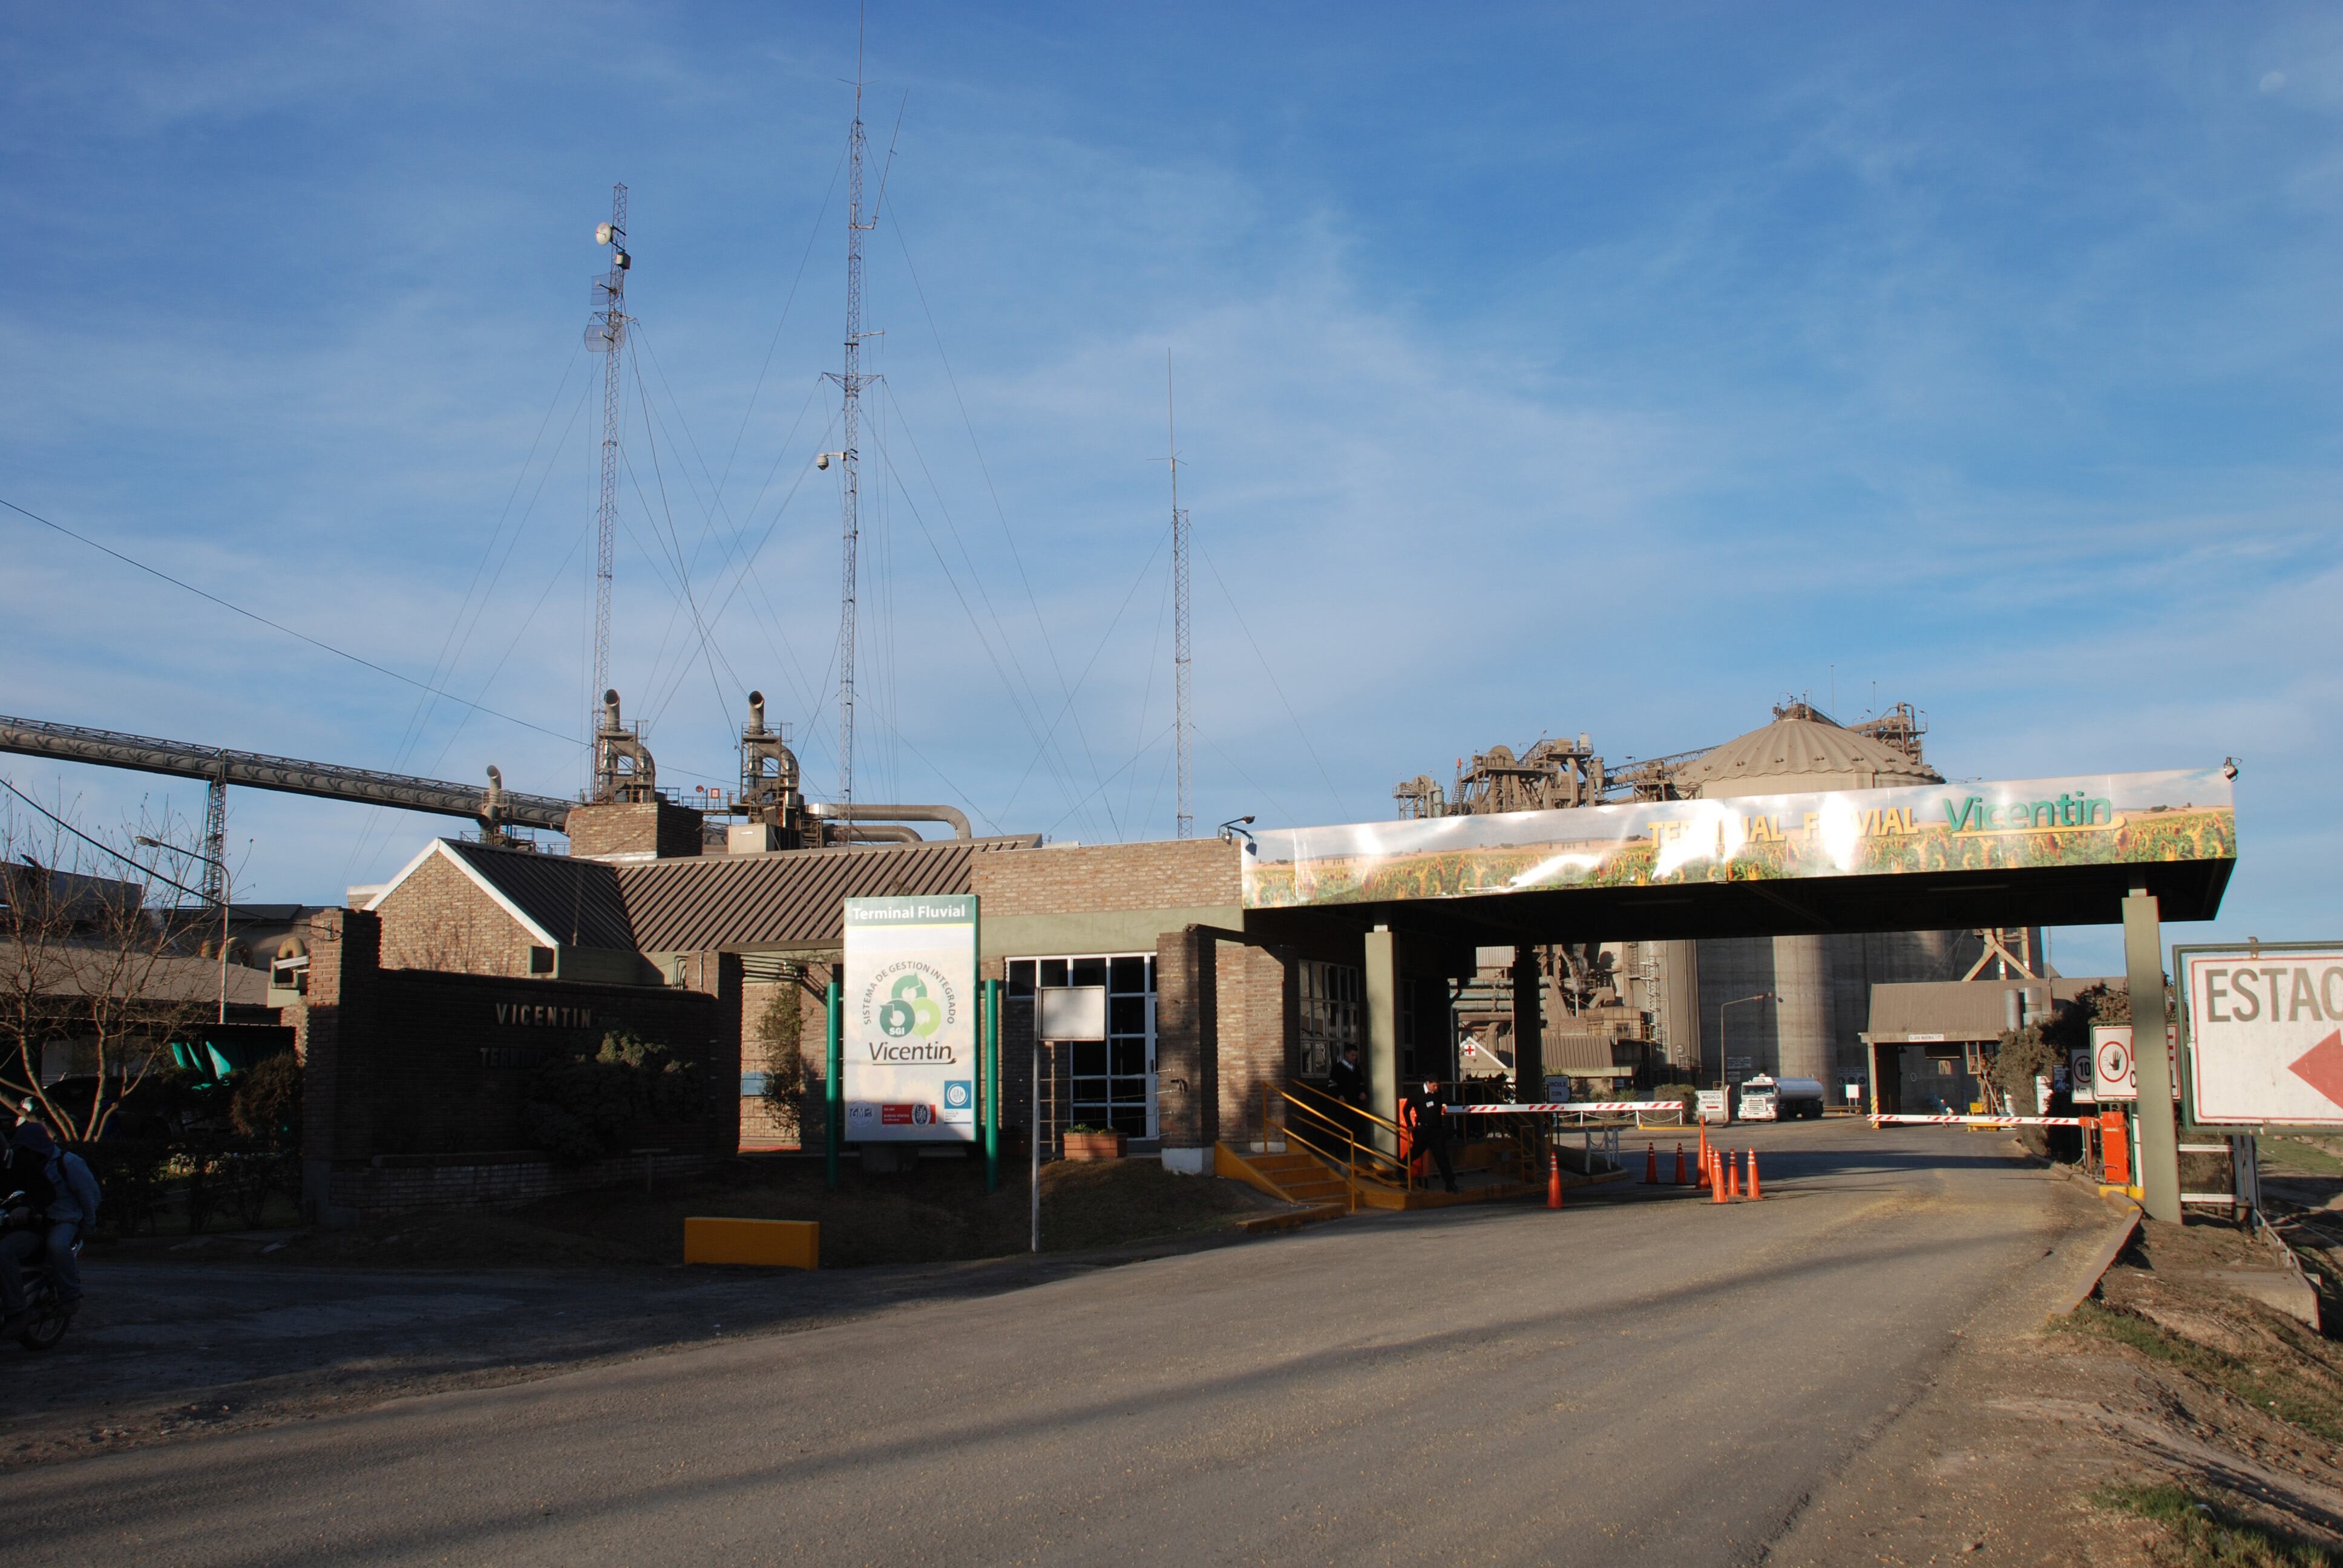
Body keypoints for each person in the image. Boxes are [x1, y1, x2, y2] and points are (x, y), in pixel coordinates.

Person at [0, 1122, 93, 1325]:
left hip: (60, 1220)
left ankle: (68, 1296)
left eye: (30, 1149)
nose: (28, 1153)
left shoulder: (67, 1163)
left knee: (57, 1246)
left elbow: (88, 1196)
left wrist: (87, 1225)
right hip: (25, 1222)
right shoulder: (22, 1163)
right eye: (23, 1149)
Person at [1402, 1078, 1458, 1194]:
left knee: (1442, 1156)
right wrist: (1409, 1125)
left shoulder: (1438, 1093)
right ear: (1428, 1083)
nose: (1436, 1088)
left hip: (1436, 1130)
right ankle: (1400, 1169)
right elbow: (1406, 1109)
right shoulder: (1417, 1094)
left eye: (1438, 1086)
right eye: (1434, 1086)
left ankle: (1450, 1183)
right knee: (1416, 1152)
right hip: (1423, 1130)